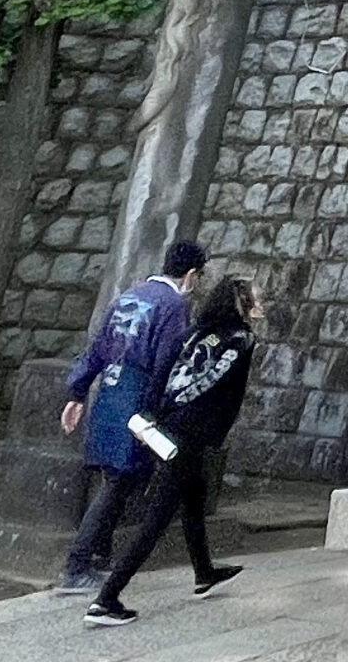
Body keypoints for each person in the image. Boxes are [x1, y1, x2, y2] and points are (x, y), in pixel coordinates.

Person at [85, 276, 261, 628]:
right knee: (156, 520)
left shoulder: (193, 333)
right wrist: (214, 438)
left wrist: (151, 415)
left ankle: (204, 571)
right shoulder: (240, 340)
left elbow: (162, 370)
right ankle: (107, 598)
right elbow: (229, 399)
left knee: (193, 497)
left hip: (162, 428)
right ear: (241, 304)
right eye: (256, 300)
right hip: (190, 437)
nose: (261, 306)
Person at [57, 239, 205, 592]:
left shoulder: (130, 294)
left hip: (109, 389)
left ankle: (99, 557)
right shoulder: (173, 306)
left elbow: (98, 347)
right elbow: (166, 362)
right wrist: (166, 409)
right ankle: (77, 564)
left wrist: (77, 392)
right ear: (191, 274)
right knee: (119, 481)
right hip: (138, 395)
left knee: (112, 477)